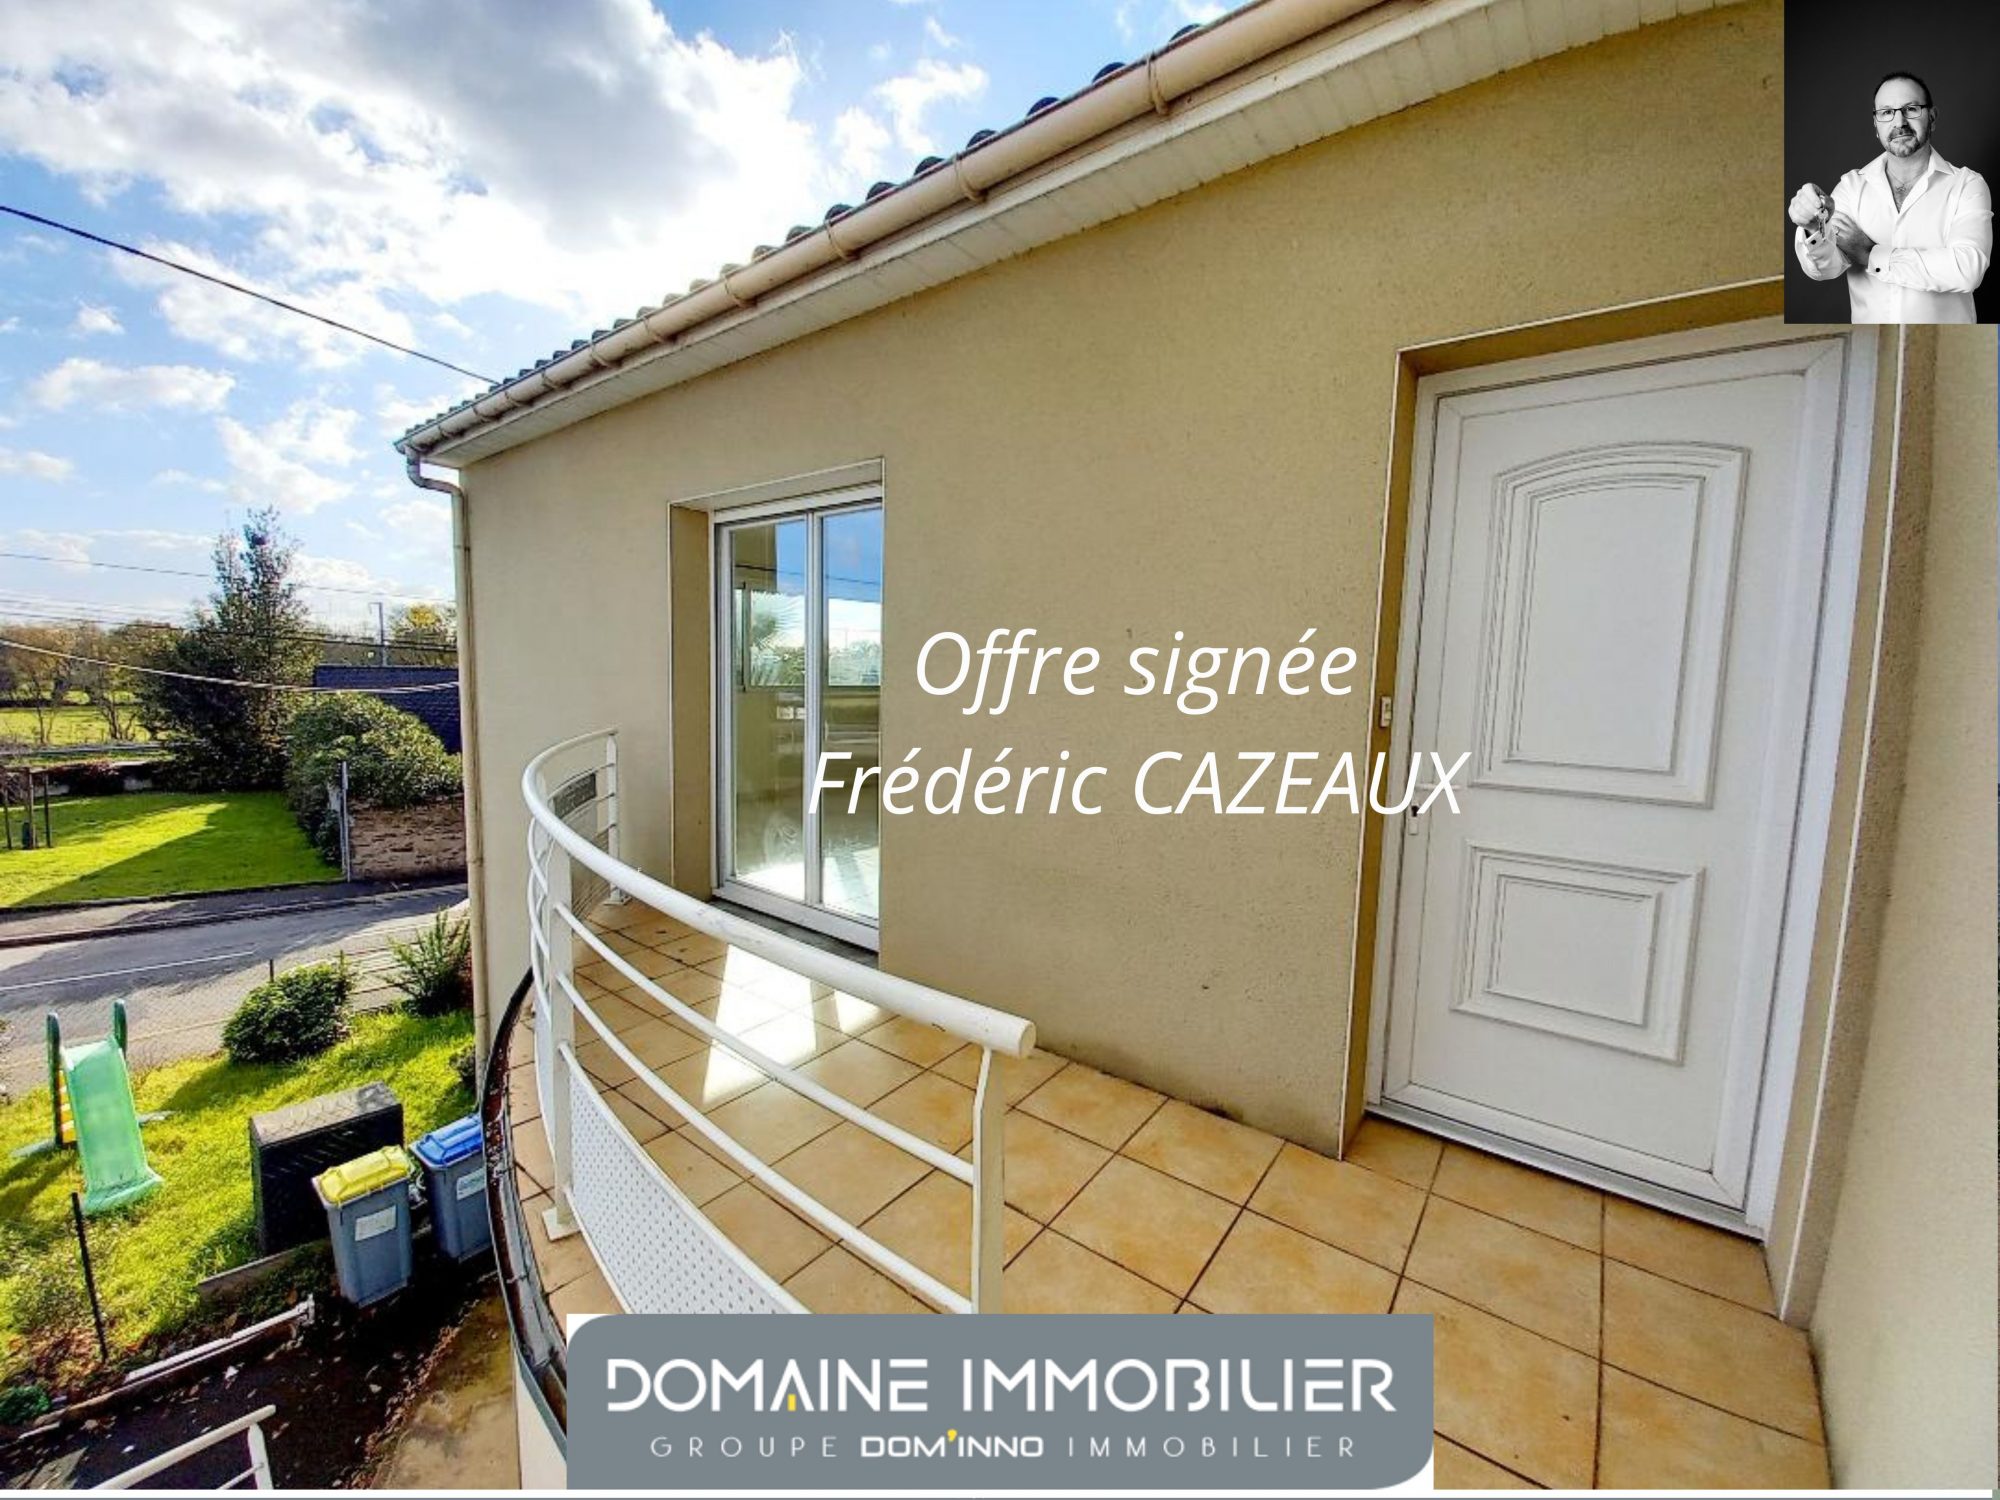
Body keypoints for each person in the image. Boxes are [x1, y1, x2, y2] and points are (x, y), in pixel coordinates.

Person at [1790, 72, 1992, 323]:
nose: (1900, 122)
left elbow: (1967, 270)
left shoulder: (1967, 185)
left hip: (1947, 341)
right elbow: (1825, 269)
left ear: (1932, 117)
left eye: (1911, 109)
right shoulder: (1851, 187)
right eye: (1887, 112)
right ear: (1876, 125)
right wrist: (1814, 228)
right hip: (1872, 342)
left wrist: (1869, 253)